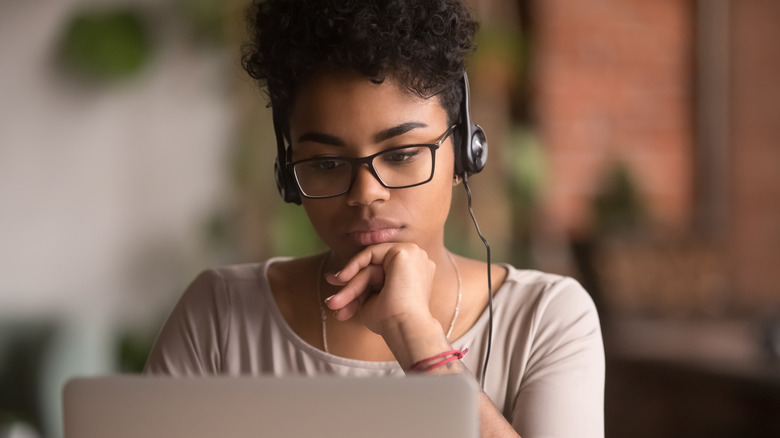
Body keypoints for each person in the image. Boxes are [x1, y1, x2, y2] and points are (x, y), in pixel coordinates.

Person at [144, 1, 605, 436]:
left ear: (464, 155)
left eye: (403, 154)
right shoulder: (218, 317)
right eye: (325, 163)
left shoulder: (546, 319)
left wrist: (416, 336)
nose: (366, 194)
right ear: (288, 175)